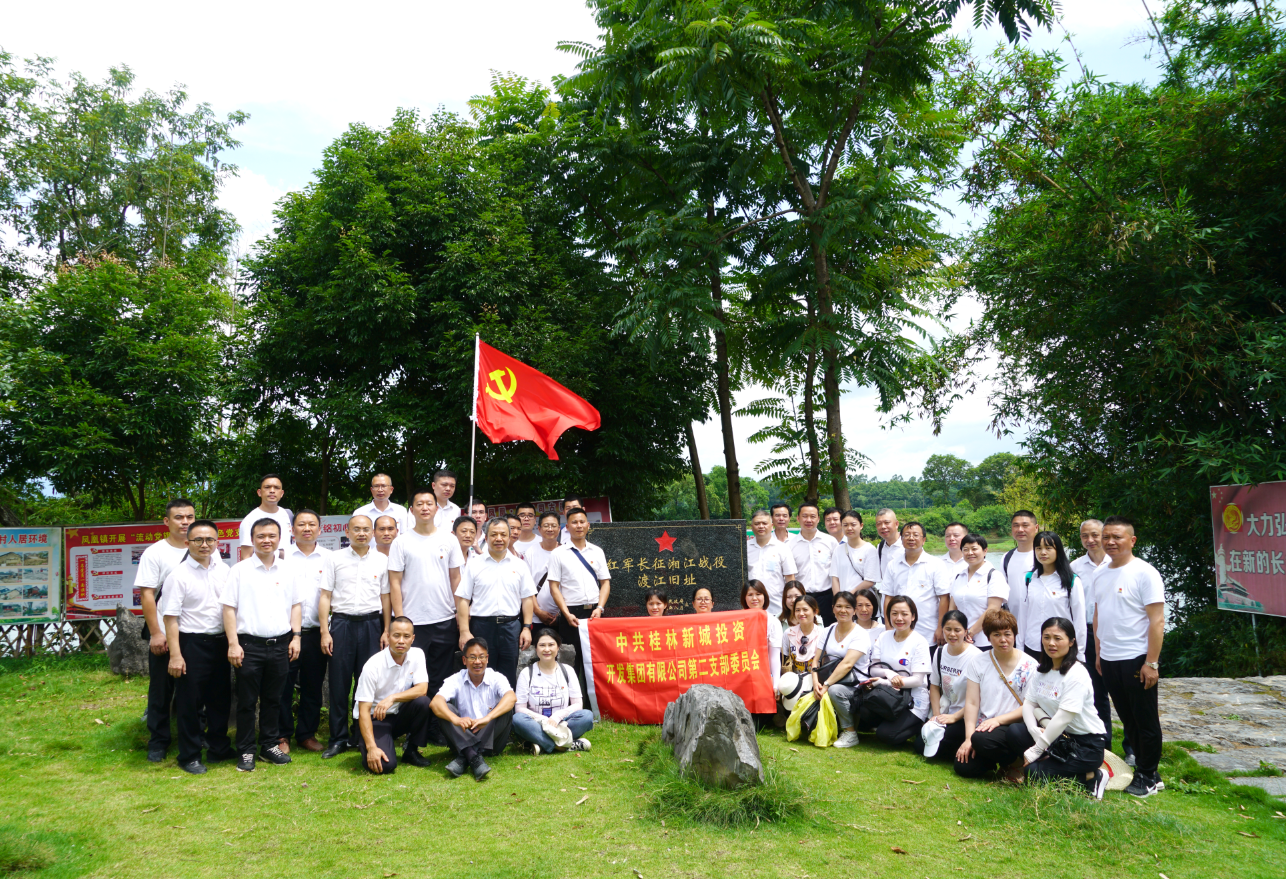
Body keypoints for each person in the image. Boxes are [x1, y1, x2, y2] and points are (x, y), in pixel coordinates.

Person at [1094, 515, 1166, 798]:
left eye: (1117, 537)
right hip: (1110, 658)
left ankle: (1146, 776)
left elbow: (1157, 621)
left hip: (1136, 657)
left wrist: (1151, 662)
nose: (1110, 542)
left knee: (1145, 720)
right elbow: (1099, 614)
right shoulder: (1101, 573)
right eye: (1106, 537)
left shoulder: (1145, 573)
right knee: (1128, 719)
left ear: (1132, 540)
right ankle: (1151, 772)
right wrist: (1099, 653)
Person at [222, 518, 302, 772]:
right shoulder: (239, 570)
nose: (266, 540)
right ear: (252, 539)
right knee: (246, 701)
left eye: (271, 536)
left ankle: (269, 745)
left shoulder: (288, 570)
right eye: (260, 536)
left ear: (280, 539)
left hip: (280, 644)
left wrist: (296, 637)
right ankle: (246, 750)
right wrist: (233, 644)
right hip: (249, 646)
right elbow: (229, 609)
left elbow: (296, 605)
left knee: (273, 699)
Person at [161, 519, 235, 774]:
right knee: (190, 703)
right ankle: (189, 755)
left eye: (210, 540)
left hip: (220, 641)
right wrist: (175, 655)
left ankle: (219, 748)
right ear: (187, 542)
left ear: (217, 542)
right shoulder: (178, 576)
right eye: (198, 540)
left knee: (220, 698)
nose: (205, 545)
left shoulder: (224, 569)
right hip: (192, 644)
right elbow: (170, 618)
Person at [388, 490, 464, 720]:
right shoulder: (401, 542)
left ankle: (437, 727)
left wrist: (460, 615)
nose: (424, 508)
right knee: (412, 678)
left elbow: (456, 579)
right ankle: (412, 726)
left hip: (443, 619)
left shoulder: (449, 539)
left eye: (429, 503)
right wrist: (400, 620)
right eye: (419, 504)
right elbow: (394, 582)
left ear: (436, 508)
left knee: (441, 678)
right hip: (413, 622)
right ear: (411, 510)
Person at [319, 514, 391, 759]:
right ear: (347, 532)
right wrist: (325, 631)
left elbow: (385, 598)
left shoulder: (382, 560)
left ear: (373, 533)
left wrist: (386, 629)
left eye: (366, 529)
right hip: (342, 624)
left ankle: (360, 735)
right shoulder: (334, 558)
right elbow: (325, 596)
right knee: (338, 684)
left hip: (371, 624)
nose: (362, 533)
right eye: (356, 529)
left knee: (366, 682)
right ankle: (337, 738)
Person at [1022, 617, 1110, 798]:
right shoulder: (1042, 670)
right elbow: (1029, 703)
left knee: (1033, 773)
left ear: (1071, 642)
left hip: (1086, 745)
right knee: (1016, 732)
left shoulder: (1077, 674)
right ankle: (1049, 764)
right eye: (1046, 637)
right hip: (1059, 738)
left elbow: (1064, 717)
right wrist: (1033, 731)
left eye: (1057, 638)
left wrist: (1037, 748)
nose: (1051, 643)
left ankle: (1094, 776)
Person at [138, 498, 196, 762]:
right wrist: (156, 633)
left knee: (195, 688)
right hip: (164, 632)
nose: (185, 522)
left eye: (189, 517)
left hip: (195, 633)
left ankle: (196, 735)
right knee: (161, 690)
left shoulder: (206, 548)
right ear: (166, 521)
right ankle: (158, 741)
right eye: (179, 517)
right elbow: (147, 595)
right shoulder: (155, 553)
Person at [954, 608, 1038, 782]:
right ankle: (999, 761)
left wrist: (998, 721)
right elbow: (972, 703)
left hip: (1015, 726)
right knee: (964, 766)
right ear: (988, 637)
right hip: (985, 727)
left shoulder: (1030, 665)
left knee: (981, 740)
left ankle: (1016, 763)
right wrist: (968, 739)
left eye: (1007, 634)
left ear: (1015, 635)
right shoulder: (978, 662)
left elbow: (1030, 706)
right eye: (996, 635)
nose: (1003, 640)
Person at [455, 517, 536, 688]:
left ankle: (507, 705)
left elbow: (527, 599)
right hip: (481, 627)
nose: (499, 538)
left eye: (503, 534)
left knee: (508, 674)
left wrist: (526, 628)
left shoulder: (520, 565)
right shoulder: (474, 565)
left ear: (509, 537)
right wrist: (464, 631)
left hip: (510, 627)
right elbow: (463, 599)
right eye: (494, 534)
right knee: (480, 673)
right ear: (486, 537)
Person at [278, 509, 331, 753]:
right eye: (301, 524)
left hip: (317, 632)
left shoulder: (330, 558)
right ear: (292, 529)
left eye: (311, 524)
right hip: (286, 633)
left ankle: (306, 734)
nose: (306, 528)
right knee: (283, 685)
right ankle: (282, 735)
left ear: (320, 529)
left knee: (313, 685)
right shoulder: (281, 556)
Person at [353, 616, 434, 774]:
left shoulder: (417, 655)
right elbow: (363, 711)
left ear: (412, 639)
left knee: (424, 702)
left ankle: (411, 751)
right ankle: (367, 744)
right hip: (374, 719)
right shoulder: (373, 666)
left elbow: (422, 689)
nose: (401, 641)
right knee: (386, 766)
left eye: (406, 636)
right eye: (396, 636)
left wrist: (392, 698)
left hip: (397, 714)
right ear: (388, 637)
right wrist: (372, 748)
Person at [431, 637, 517, 780]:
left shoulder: (497, 677)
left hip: (492, 741)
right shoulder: (455, 679)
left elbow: (511, 697)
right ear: (464, 660)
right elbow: (435, 702)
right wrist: (456, 719)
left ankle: (465, 755)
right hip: (463, 733)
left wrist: (487, 718)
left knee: (505, 707)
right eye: (472, 657)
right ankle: (474, 756)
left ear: (487, 659)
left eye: (481, 657)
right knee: (446, 709)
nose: (477, 661)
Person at [547, 508, 611, 682]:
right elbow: (554, 587)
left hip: (595, 614)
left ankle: (594, 699)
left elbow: (605, 583)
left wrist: (600, 608)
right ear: (567, 527)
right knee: (571, 663)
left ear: (588, 525)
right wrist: (566, 613)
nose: (579, 525)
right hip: (571, 615)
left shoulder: (597, 551)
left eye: (582, 522)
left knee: (596, 662)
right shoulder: (558, 553)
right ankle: (573, 698)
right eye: (574, 522)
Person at [859, 595, 930, 747]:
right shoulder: (883, 636)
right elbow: (874, 669)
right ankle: (892, 721)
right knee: (862, 710)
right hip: (889, 696)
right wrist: (889, 674)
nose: (899, 618)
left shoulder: (920, 642)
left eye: (904, 614)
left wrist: (887, 682)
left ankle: (920, 724)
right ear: (888, 615)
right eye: (894, 613)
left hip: (913, 699)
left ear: (913, 616)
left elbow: (918, 680)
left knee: (886, 735)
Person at [1071, 518, 1115, 755]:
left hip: (1113, 631)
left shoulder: (1117, 563)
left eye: (1095, 535)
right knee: (1096, 692)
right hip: (1086, 632)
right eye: (1085, 536)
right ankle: (1104, 744)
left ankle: (1131, 747)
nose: (1090, 540)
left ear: (1104, 535)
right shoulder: (1074, 567)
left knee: (1122, 690)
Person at [512, 629, 594, 754]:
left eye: (551, 645)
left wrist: (556, 717)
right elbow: (519, 708)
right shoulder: (526, 673)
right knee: (517, 719)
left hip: (562, 723)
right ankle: (564, 745)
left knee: (587, 716)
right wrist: (544, 720)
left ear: (558, 647)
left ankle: (542, 744)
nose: (547, 649)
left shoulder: (567, 671)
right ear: (536, 648)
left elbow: (578, 704)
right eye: (542, 645)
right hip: (537, 724)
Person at [920, 610, 981, 760]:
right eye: (948, 629)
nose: (952, 634)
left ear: (965, 631)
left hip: (967, 717)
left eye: (957, 630)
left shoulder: (976, 657)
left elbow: (980, 698)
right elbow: (934, 686)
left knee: (941, 742)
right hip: (945, 712)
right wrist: (936, 716)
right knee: (919, 744)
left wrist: (954, 717)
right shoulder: (940, 651)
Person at [814, 591, 870, 749]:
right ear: (833, 608)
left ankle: (850, 733)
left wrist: (826, 685)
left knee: (835, 691)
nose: (842, 610)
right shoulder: (828, 630)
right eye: (839, 606)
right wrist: (815, 682)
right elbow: (816, 660)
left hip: (855, 685)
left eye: (848, 607)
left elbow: (847, 664)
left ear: (854, 610)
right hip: (830, 679)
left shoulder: (860, 634)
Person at [1021, 531, 1086, 663]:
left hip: (1060, 647)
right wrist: (1019, 647)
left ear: (1058, 550)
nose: (1043, 552)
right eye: (1038, 548)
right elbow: (1023, 616)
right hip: (1032, 645)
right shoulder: (1029, 579)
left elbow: (1079, 620)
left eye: (1048, 548)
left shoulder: (1071, 581)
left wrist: (1079, 653)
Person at [884, 522, 950, 650]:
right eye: (907, 535)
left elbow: (944, 598)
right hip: (899, 629)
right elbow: (888, 597)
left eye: (915, 535)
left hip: (928, 631)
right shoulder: (892, 565)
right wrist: (888, 626)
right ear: (901, 539)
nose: (911, 538)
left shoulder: (936, 564)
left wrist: (941, 627)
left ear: (923, 540)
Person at [949, 534, 1007, 646]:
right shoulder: (959, 576)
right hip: (960, 639)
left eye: (974, 549)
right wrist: (954, 631)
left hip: (985, 640)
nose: (970, 553)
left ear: (985, 551)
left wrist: (970, 633)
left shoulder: (994, 576)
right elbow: (952, 608)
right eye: (966, 549)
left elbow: (993, 609)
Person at [789, 502, 839, 624]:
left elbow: (838, 571)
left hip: (827, 597)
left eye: (812, 516)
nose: (808, 520)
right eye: (804, 516)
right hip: (802, 598)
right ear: (798, 518)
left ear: (818, 519)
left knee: (828, 630)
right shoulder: (790, 545)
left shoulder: (830, 541)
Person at [747, 509, 798, 616]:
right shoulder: (745, 548)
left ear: (771, 526)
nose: (761, 526)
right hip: (751, 607)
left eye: (764, 523)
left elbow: (790, 579)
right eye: (757, 524)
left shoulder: (782, 548)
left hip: (777, 607)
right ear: (751, 527)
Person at [1002, 510, 1038, 648]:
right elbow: (1003, 592)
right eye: (1016, 525)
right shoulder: (1007, 557)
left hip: (1040, 627)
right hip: (1014, 626)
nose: (1020, 529)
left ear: (1036, 527)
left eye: (1025, 525)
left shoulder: (1043, 555)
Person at [237, 474, 293, 562]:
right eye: (267, 487)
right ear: (259, 492)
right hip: (263, 568)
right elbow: (246, 556)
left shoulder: (287, 514)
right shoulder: (250, 520)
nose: (272, 491)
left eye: (276, 488)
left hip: (287, 568)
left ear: (282, 493)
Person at [741, 580, 782, 690]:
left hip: (765, 677)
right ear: (744, 598)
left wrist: (776, 684)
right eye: (750, 595)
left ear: (764, 596)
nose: (754, 598)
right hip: (743, 676)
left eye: (758, 594)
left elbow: (774, 656)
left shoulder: (773, 622)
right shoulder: (738, 622)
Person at [829, 510, 878, 597]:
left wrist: (849, 596)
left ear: (861, 526)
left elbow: (870, 581)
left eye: (853, 524)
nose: (849, 528)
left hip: (862, 600)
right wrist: (838, 599)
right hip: (843, 601)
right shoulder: (838, 549)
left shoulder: (870, 549)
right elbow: (835, 578)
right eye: (845, 525)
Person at [528, 512, 563, 632]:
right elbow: (526, 586)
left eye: (553, 526)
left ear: (559, 528)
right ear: (539, 529)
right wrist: (538, 611)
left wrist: (561, 613)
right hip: (536, 617)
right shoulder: (531, 552)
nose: (550, 529)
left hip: (563, 617)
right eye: (546, 525)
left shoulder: (566, 552)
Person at [784, 595, 821, 674]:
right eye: (797, 610)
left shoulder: (822, 634)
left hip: (817, 679)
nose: (801, 613)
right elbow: (783, 660)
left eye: (805, 610)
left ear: (815, 612)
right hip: (794, 680)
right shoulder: (788, 633)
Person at [852, 587, 885, 673]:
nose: (864, 609)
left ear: (874, 607)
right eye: (859, 605)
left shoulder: (883, 630)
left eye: (868, 605)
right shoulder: (849, 629)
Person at [873, 508, 904, 591]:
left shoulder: (907, 545)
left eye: (887, 523)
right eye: (879, 524)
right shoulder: (880, 547)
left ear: (896, 524)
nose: (883, 527)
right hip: (887, 594)